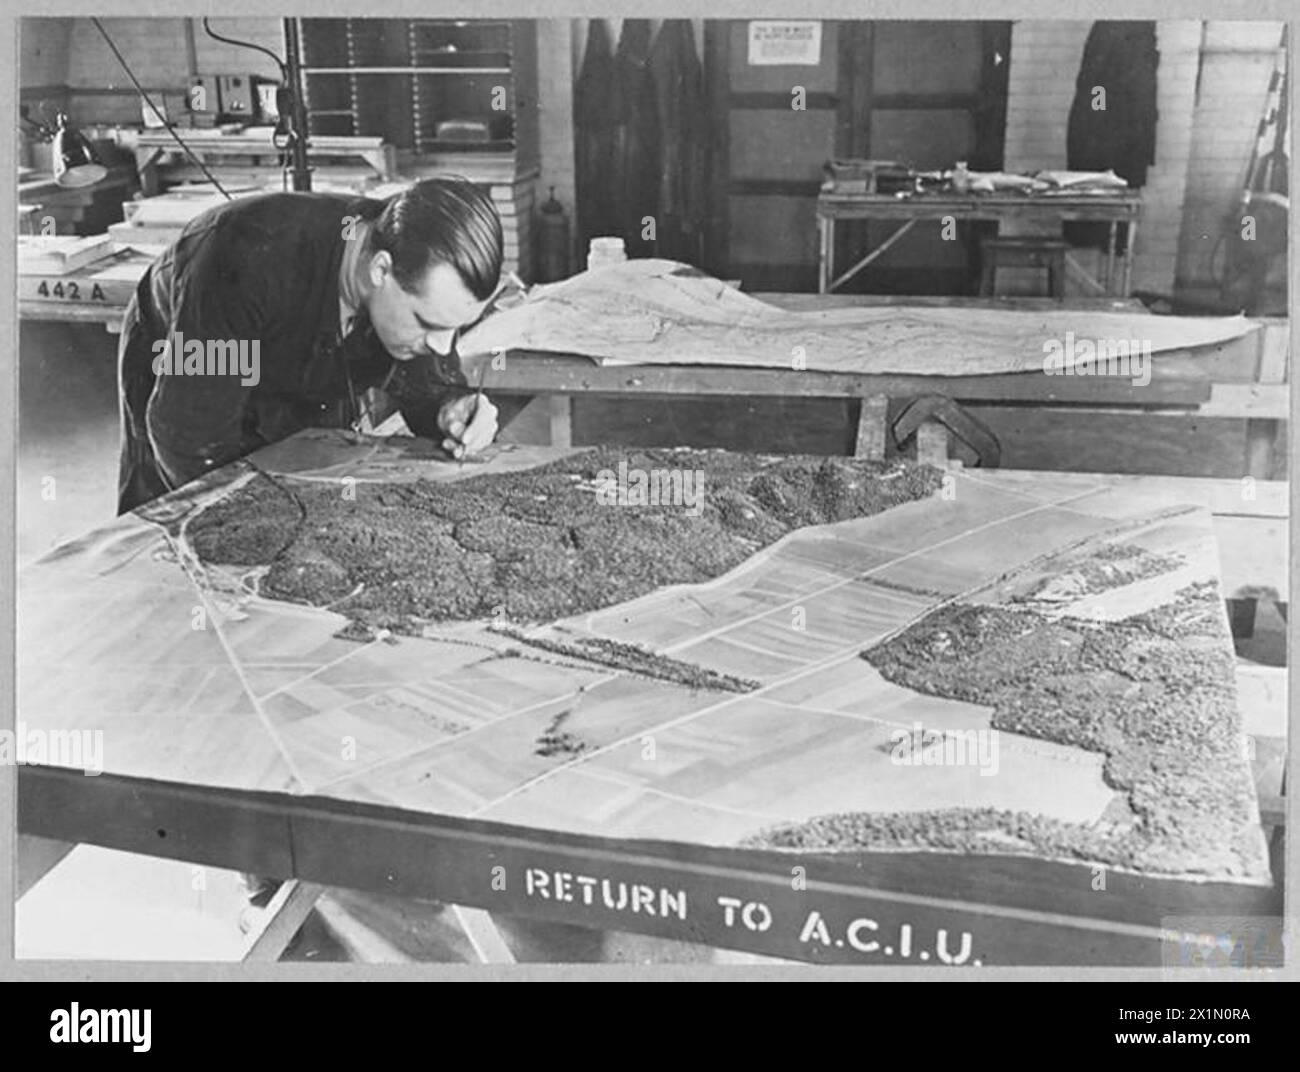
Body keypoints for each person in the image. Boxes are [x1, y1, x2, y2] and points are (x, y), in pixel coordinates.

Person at [116, 177, 525, 514]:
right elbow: (189, 433)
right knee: (179, 529)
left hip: (297, 351)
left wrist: (449, 407)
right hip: (190, 348)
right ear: (380, 270)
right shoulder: (246, 260)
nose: (442, 348)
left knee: (319, 496)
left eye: (455, 329)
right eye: (429, 324)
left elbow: (426, 385)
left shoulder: (413, 255)